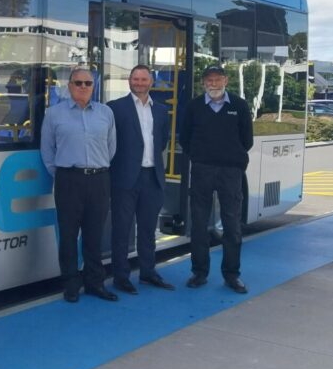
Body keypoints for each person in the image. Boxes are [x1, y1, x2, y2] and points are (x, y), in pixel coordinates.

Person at [40, 67, 117, 303]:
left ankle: (95, 283)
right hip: (69, 180)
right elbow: (47, 150)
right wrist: (64, 171)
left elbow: (111, 147)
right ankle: (71, 285)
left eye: (88, 83)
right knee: (69, 235)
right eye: (78, 83)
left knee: (94, 235)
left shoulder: (106, 113)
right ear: (69, 85)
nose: (83, 87)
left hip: (99, 179)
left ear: (94, 86)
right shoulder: (54, 114)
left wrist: (97, 167)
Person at [179, 64, 254, 293]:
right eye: (209, 80)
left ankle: (232, 275)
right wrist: (201, 158)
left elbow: (247, 140)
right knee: (199, 224)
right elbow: (185, 138)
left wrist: (231, 158)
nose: (213, 84)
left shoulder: (239, 106)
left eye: (217, 79)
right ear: (203, 83)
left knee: (232, 224)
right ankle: (199, 272)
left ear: (226, 81)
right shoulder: (194, 106)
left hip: (231, 172)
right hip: (202, 170)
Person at [107, 65, 174, 294]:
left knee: (147, 230)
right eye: (135, 79)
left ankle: (148, 273)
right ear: (129, 81)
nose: (139, 83)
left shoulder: (161, 111)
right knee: (122, 230)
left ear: (151, 82)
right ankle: (121, 277)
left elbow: (162, 141)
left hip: (152, 177)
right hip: (125, 179)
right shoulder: (115, 108)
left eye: (144, 79)